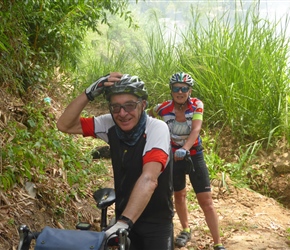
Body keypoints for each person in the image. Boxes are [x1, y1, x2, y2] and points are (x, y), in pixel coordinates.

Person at [56, 72, 174, 250]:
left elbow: (149, 179)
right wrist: (89, 93)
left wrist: (124, 221)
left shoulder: (157, 128)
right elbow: (64, 125)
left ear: (143, 105)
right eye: (116, 107)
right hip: (124, 216)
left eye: (129, 105)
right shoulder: (110, 124)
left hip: (155, 222)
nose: (122, 113)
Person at [148, 72, 226, 250]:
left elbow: (196, 129)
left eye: (184, 88)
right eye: (176, 88)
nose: (180, 92)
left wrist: (185, 148)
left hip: (194, 154)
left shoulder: (197, 105)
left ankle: (218, 243)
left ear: (190, 90)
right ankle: (185, 229)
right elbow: (146, 116)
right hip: (173, 156)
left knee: (206, 201)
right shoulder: (163, 108)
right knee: (179, 195)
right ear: (171, 90)